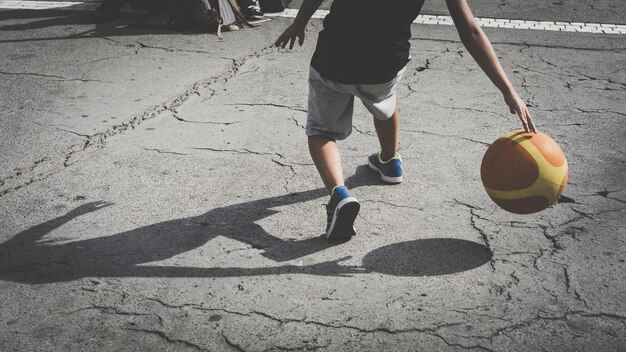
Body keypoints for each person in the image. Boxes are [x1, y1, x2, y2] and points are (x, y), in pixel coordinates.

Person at [274, 0, 537, 241]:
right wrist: (508, 90)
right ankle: (389, 161)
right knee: (384, 105)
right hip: (386, 63)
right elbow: (470, 31)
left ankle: (339, 194)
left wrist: (300, 22)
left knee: (321, 130)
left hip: (335, 56)